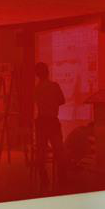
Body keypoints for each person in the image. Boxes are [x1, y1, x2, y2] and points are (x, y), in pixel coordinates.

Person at [33, 62, 67, 190]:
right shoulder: (54, 86)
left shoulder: (36, 89)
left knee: (41, 152)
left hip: (41, 121)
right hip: (52, 121)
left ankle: (44, 179)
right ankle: (62, 179)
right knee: (59, 150)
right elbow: (62, 101)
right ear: (47, 72)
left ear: (37, 75)